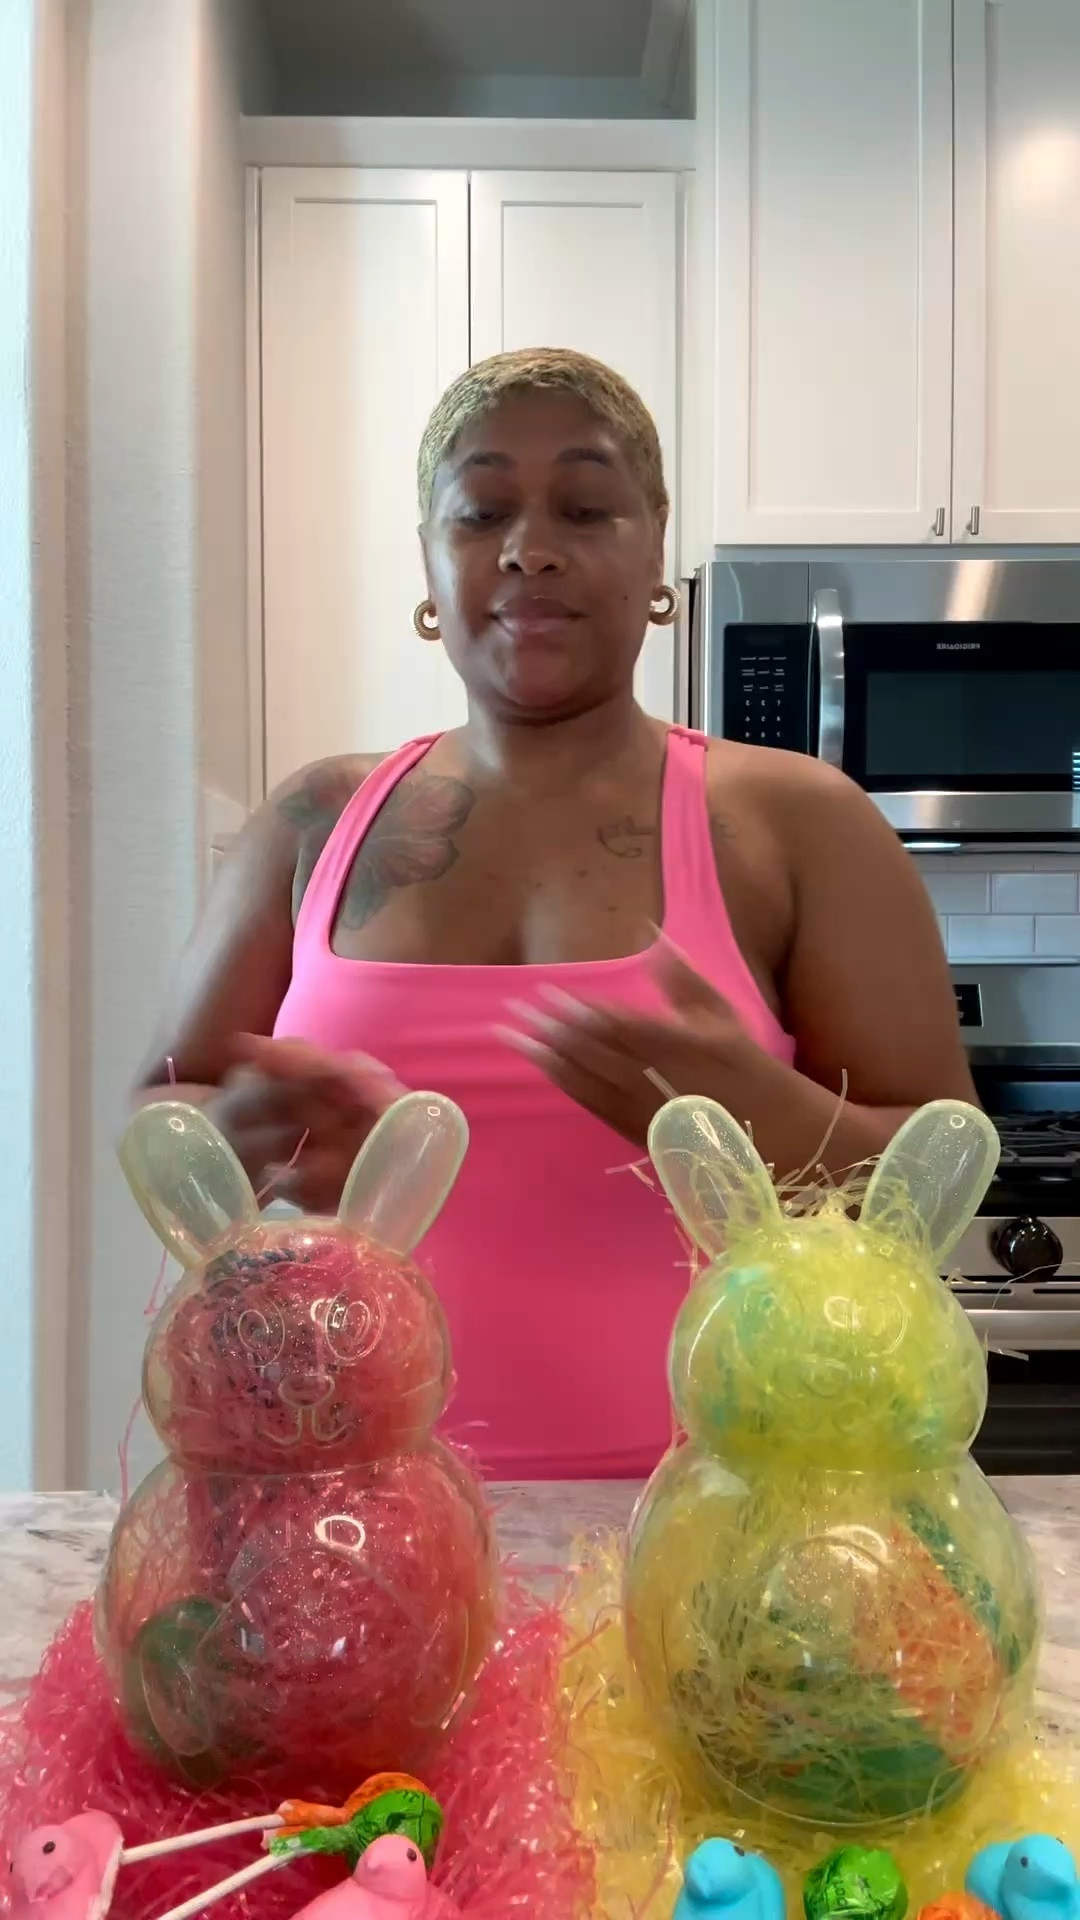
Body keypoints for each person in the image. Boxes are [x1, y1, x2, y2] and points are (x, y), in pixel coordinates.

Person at [133, 347, 975, 1480]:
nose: (529, 547)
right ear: (429, 562)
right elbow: (164, 1105)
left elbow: (943, 1182)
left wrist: (770, 1124)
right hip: (347, 1522)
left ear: (656, 550)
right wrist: (241, 1142)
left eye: (585, 507)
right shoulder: (314, 821)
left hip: (706, 1529)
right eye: (482, 513)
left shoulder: (799, 823)